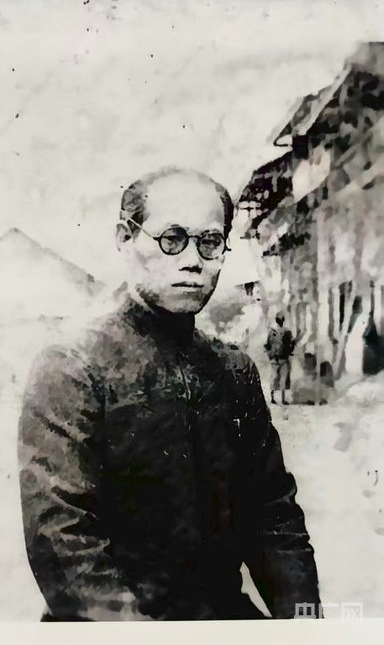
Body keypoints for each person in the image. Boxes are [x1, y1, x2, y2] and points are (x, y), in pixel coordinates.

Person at [18, 167, 321, 621]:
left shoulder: (233, 370)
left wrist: (305, 625)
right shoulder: (72, 366)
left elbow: (274, 517)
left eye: (210, 242)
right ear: (125, 239)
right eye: (172, 239)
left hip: (220, 615)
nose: (193, 260)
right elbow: (64, 544)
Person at [265, 311, 296, 406]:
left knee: (274, 377)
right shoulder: (287, 332)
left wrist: (270, 355)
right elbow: (292, 343)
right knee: (283, 378)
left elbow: (267, 345)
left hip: (274, 358)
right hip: (283, 358)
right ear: (283, 320)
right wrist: (289, 352)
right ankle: (282, 399)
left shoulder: (272, 332)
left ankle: (272, 397)